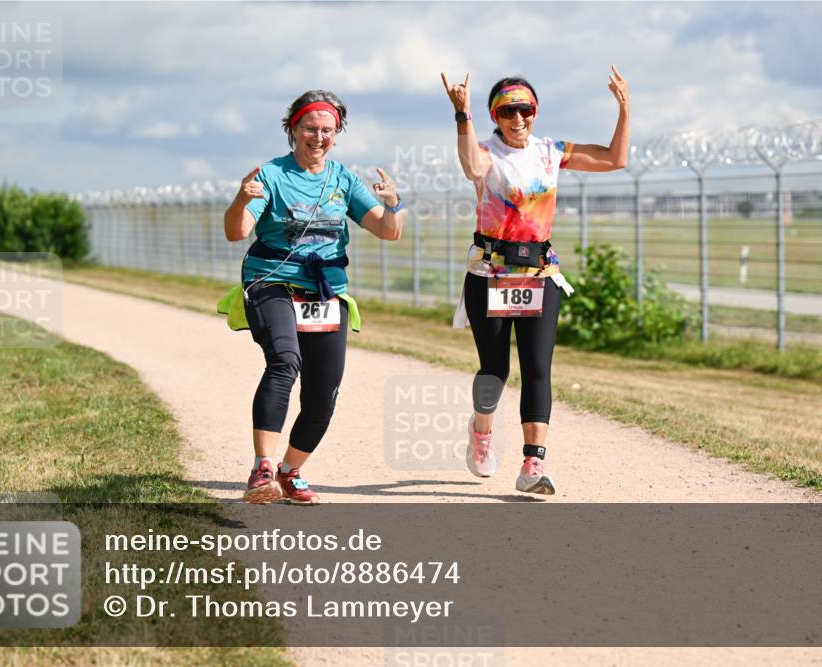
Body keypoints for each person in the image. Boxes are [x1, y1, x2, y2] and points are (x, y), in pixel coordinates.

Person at [441, 68, 629, 495]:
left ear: (536, 111)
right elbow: (471, 164)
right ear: (495, 114)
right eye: (508, 110)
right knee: (495, 369)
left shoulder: (552, 151)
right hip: (489, 274)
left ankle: (532, 465)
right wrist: (461, 114)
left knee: (537, 369)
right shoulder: (486, 151)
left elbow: (615, 160)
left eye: (525, 108)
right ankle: (482, 432)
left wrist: (624, 109)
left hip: (539, 275)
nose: (518, 117)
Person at [223, 90, 406, 505]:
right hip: (270, 283)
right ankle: (262, 469)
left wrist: (394, 203)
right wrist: (240, 198)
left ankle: (290, 471)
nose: (318, 137)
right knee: (286, 361)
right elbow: (237, 232)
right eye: (309, 128)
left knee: (323, 392)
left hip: (325, 291)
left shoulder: (343, 178)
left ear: (337, 134)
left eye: (327, 130)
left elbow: (387, 231)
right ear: (293, 129)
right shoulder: (271, 175)